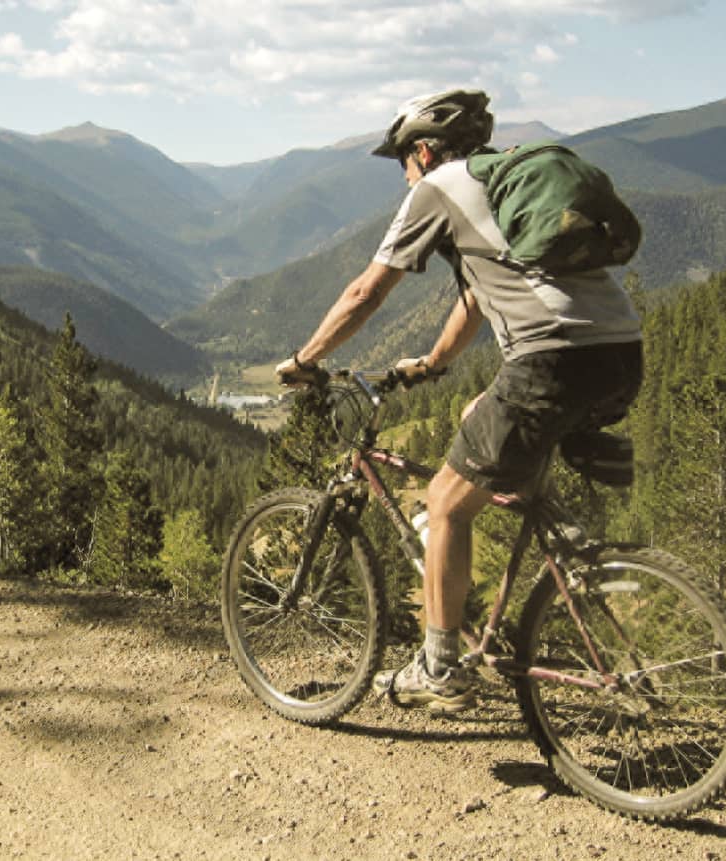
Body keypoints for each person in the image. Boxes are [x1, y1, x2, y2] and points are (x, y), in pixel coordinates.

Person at [274, 90, 643, 713]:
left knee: (445, 502)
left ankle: (441, 667)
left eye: (402, 163)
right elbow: (476, 295)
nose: (405, 176)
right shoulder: (502, 193)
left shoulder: (438, 187)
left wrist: (307, 359)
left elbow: (367, 290)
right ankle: (559, 534)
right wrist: (433, 364)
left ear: (422, 151)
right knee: (478, 415)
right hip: (621, 354)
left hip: (550, 358)